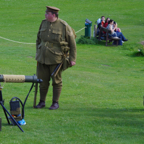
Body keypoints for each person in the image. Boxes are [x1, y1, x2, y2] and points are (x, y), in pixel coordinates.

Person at [35, 6, 77, 110]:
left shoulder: (64, 25)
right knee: (42, 81)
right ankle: (42, 102)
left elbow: (72, 43)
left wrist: (72, 59)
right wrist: (38, 52)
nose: (45, 14)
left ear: (53, 15)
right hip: (42, 58)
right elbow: (38, 39)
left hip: (56, 58)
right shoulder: (43, 23)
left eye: (47, 13)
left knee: (56, 81)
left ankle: (55, 103)